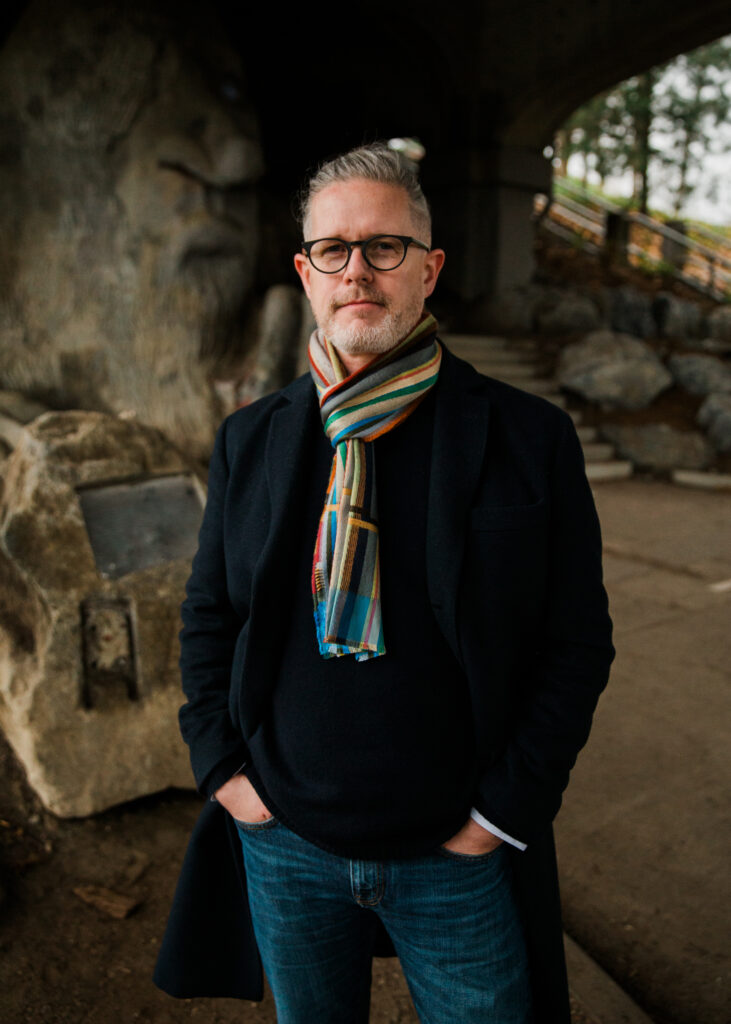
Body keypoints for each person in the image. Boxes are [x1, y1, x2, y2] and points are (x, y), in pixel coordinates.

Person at [154, 143, 614, 1023]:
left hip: (456, 853)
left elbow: (575, 642)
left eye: (384, 247)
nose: (356, 269)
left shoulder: (528, 436)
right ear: (305, 270)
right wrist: (221, 768)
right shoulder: (252, 436)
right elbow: (210, 612)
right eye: (333, 249)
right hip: (284, 841)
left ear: (429, 268)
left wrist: (500, 814)